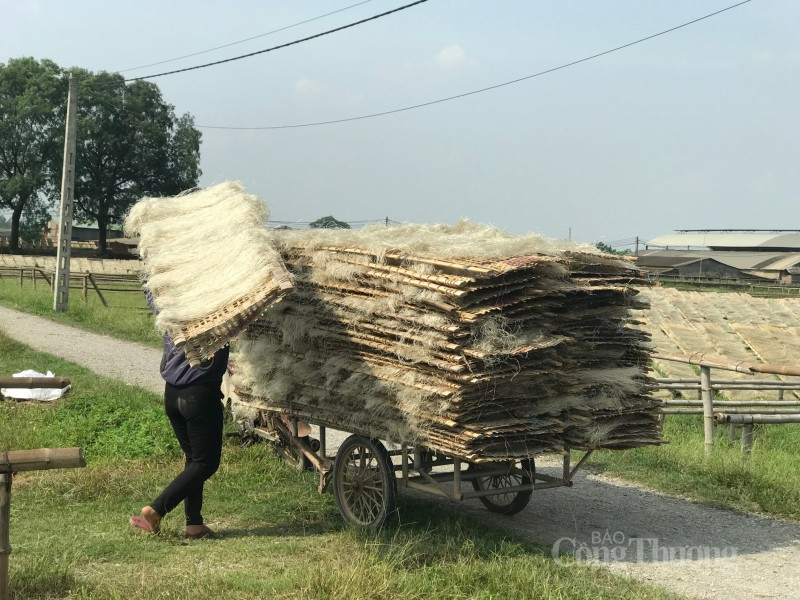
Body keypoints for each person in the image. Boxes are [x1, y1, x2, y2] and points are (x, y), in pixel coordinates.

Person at [130, 296, 229, 539]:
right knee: (206, 463)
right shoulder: (212, 301)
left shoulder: (170, 300)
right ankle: (156, 509)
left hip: (173, 394)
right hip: (199, 393)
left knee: (194, 460)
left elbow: (150, 291)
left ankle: (194, 524)